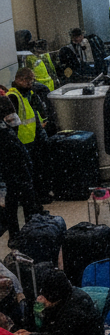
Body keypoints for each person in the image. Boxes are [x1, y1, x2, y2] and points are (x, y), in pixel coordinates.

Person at [0, 96, 41, 236]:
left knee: (13, 197)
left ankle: (16, 233)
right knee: (26, 196)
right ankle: (30, 231)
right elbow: (14, 124)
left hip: (9, 164)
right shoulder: (4, 102)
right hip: (15, 162)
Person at [7, 66, 49, 196]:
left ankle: (40, 194)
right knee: (28, 172)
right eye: (28, 81)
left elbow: (36, 112)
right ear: (19, 80)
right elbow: (11, 123)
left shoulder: (28, 94)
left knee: (37, 168)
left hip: (33, 137)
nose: (30, 84)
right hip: (22, 141)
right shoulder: (13, 96)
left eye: (32, 81)